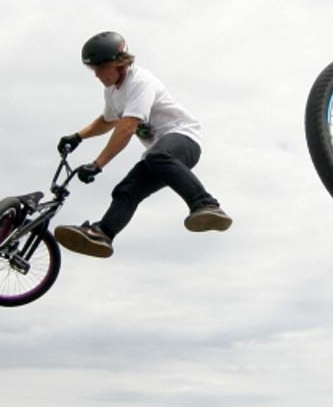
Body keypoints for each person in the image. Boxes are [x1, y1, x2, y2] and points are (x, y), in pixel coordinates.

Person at [53, 31, 231, 259]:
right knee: (126, 190)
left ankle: (206, 204)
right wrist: (78, 136)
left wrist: (98, 164)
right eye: (93, 69)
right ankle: (103, 233)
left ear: (119, 63)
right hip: (160, 156)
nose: (97, 74)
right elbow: (108, 120)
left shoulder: (140, 82)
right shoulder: (112, 91)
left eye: (100, 67)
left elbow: (126, 127)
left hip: (184, 139)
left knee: (156, 155)